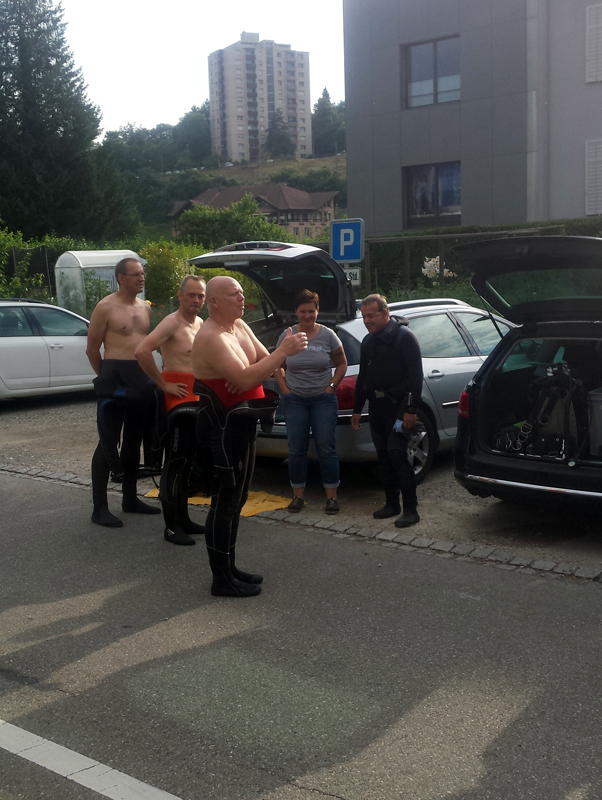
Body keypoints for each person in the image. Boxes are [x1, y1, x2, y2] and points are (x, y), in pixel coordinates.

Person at [192, 275, 308, 597]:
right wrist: (273, 358)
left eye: (242, 293)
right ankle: (220, 579)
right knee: (225, 501)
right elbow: (251, 373)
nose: (242, 298)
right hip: (222, 426)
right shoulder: (211, 335)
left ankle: (229, 567)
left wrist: (256, 370)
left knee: (239, 499)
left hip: (243, 422)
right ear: (214, 302)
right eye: (234, 294)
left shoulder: (239, 326)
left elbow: (261, 364)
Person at [86, 258, 161, 527]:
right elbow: (92, 350)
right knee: (108, 441)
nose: (142, 278)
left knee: (134, 440)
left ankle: (130, 499)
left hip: (140, 376)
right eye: (136, 274)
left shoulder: (145, 308)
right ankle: (100, 508)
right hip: (115, 375)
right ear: (121, 277)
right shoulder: (105, 307)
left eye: (142, 274)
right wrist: (106, 379)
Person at [135, 275, 206, 546]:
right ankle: (171, 526)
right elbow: (142, 351)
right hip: (177, 399)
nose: (196, 300)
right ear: (180, 295)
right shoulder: (172, 322)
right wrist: (163, 383)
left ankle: (184, 519)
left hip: (196, 397)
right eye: (192, 295)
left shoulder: (200, 323)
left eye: (200, 295)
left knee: (188, 462)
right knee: (175, 462)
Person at [351, 294, 423, 528]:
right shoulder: (368, 342)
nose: (366, 321)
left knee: (397, 453)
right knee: (383, 456)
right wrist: (357, 409)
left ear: (384, 313)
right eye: (364, 316)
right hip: (377, 406)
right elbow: (363, 377)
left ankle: (411, 510)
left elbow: (415, 378)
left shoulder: (405, 338)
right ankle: (392, 504)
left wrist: (410, 410)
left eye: (371, 316)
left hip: (399, 406)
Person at [274, 289, 347, 514]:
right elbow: (277, 364)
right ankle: (297, 496)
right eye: (303, 311)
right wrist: (285, 389)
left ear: (317, 311)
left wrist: (331, 387)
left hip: (322, 400)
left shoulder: (328, 335)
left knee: (326, 447)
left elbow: (342, 363)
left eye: (311, 311)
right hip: (295, 400)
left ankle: (331, 498)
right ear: (296, 312)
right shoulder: (287, 335)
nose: (307, 315)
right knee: (297, 449)